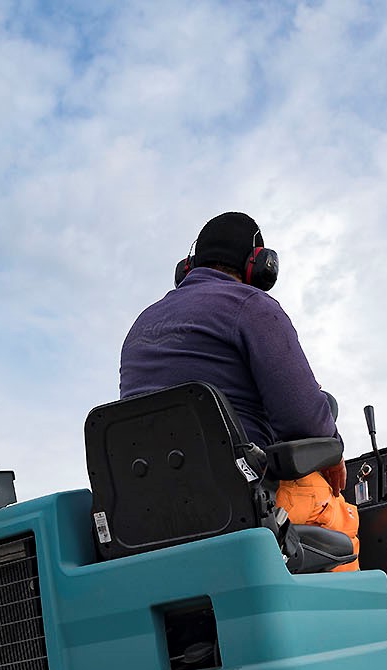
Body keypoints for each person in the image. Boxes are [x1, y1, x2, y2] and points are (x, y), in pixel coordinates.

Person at [119, 211, 359, 571]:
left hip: (155, 522)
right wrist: (333, 448)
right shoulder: (252, 307)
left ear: (188, 267)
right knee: (342, 515)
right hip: (244, 504)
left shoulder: (140, 327)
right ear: (258, 266)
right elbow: (303, 417)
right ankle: (365, 629)